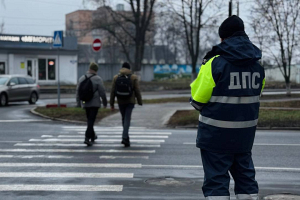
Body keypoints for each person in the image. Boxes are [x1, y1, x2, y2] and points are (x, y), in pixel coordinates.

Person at [190, 15, 265, 200]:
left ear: (223, 39)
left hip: (215, 136)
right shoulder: (257, 66)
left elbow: (197, 100)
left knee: (216, 182)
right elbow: (255, 95)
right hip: (245, 136)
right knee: (246, 178)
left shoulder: (214, 62)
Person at [110, 62, 143, 147]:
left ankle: (126, 138)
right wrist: (139, 101)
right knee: (127, 119)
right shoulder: (133, 77)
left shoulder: (116, 77)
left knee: (124, 119)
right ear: (129, 69)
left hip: (120, 101)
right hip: (130, 101)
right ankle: (125, 137)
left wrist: (112, 104)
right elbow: (137, 90)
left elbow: (112, 91)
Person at [76, 62, 107, 146]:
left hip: (85, 102)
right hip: (95, 103)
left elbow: (78, 91)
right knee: (91, 121)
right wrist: (105, 102)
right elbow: (102, 92)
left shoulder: (82, 78)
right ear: (96, 70)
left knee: (90, 120)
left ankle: (93, 136)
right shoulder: (98, 79)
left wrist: (78, 102)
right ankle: (87, 137)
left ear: (89, 69)